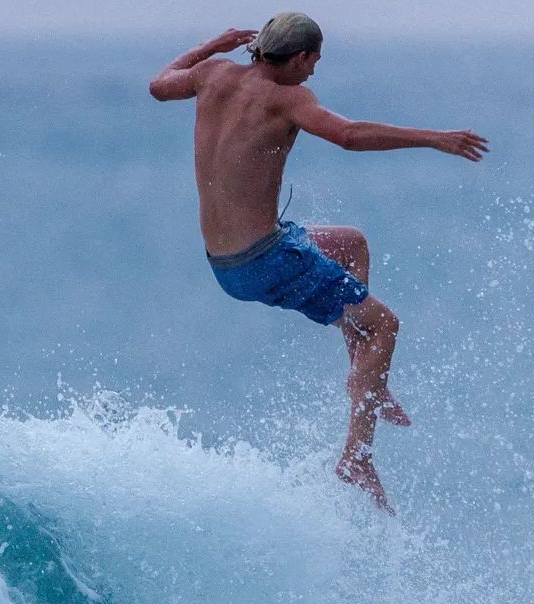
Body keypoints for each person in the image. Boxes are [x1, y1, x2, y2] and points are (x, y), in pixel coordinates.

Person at [149, 13, 488, 511]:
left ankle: (364, 376)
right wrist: (434, 138)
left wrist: (212, 44)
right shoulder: (289, 98)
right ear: (300, 56)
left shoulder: (213, 74)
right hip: (267, 260)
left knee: (351, 244)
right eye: (314, 62)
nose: (313, 74)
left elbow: (159, 86)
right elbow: (348, 135)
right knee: (385, 326)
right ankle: (357, 456)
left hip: (225, 261)